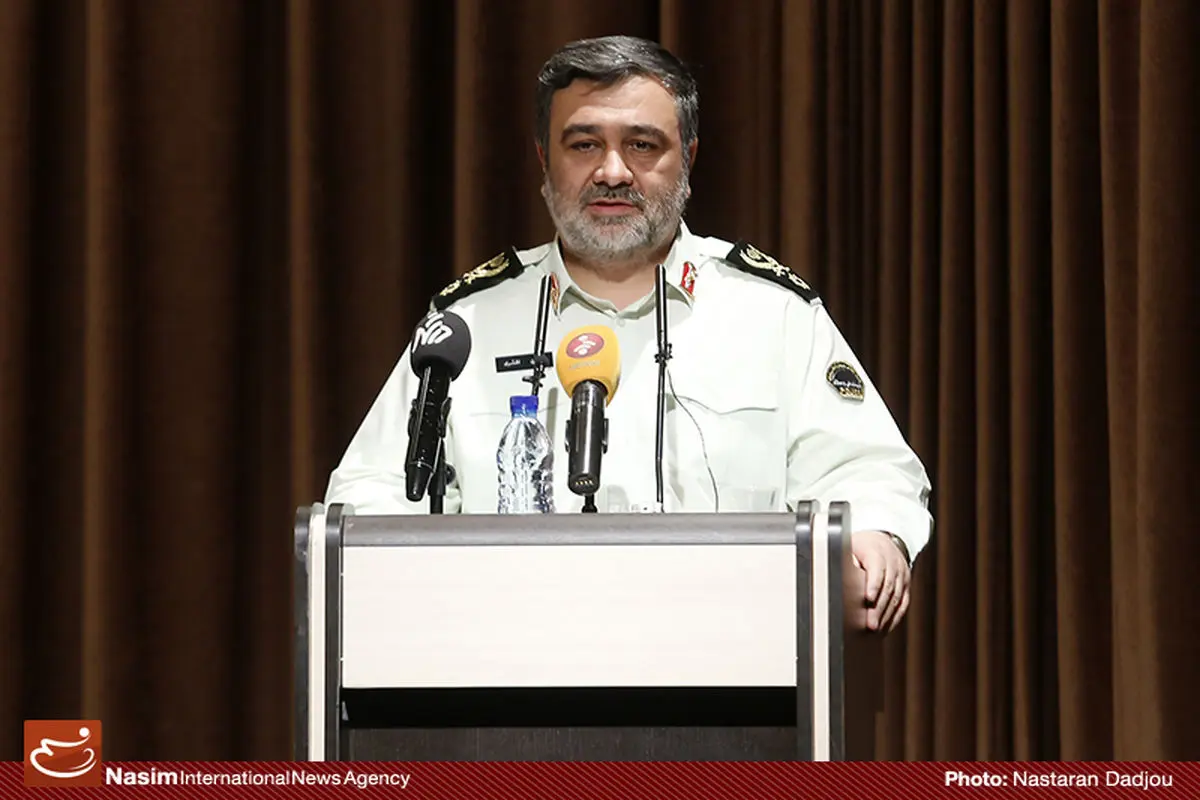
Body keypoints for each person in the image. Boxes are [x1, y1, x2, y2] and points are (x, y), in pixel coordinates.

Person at [325, 35, 933, 633]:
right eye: (584, 144)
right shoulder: (468, 323)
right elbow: (370, 497)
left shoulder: (773, 314)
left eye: (642, 145)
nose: (612, 172)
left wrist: (874, 534)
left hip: (730, 660)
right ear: (543, 159)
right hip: (511, 662)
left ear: (688, 157)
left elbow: (867, 468)